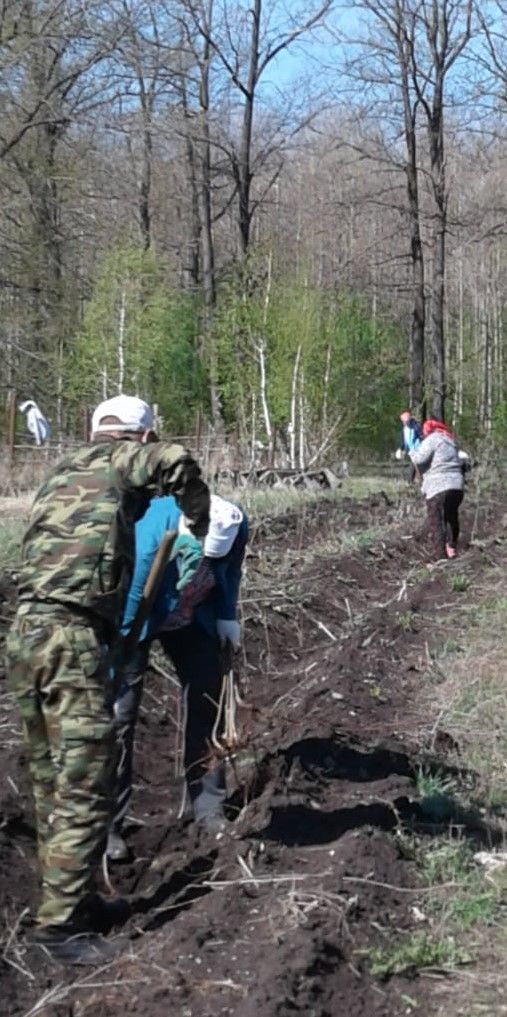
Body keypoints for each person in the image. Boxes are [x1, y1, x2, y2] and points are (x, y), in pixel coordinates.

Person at [5, 395, 209, 965]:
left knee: (52, 779)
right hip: (70, 636)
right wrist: (198, 516)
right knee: (88, 779)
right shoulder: (122, 458)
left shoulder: (62, 470)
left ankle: (76, 899)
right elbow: (176, 462)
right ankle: (57, 929)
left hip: (26, 634)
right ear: (136, 436)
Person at [107, 494, 248, 861]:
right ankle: (108, 826)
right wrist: (118, 664)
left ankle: (209, 808)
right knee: (119, 715)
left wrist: (226, 615)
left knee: (208, 695)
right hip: (140, 613)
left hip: (192, 616)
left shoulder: (234, 520)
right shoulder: (148, 536)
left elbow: (229, 569)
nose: (209, 559)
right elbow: (131, 600)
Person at [409, 418, 464, 561]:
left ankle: (440, 557)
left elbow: (420, 459)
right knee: (451, 516)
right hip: (457, 486)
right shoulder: (450, 441)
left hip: (438, 486)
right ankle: (451, 547)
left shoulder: (432, 439)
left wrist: (412, 453)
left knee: (436, 521)